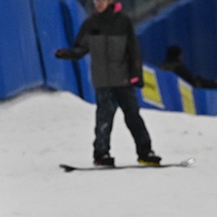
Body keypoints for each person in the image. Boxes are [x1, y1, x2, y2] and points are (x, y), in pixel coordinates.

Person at [54, 0, 160, 167]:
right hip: (103, 81)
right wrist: (66, 53)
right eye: (96, 0)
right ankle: (101, 154)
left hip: (123, 80)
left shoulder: (123, 22)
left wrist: (136, 75)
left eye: (102, 0)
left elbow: (133, 49)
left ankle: (145, 152)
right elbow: (80, 49)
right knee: (103, 119)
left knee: (133, 117)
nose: (98, 3)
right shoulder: (90, 24)